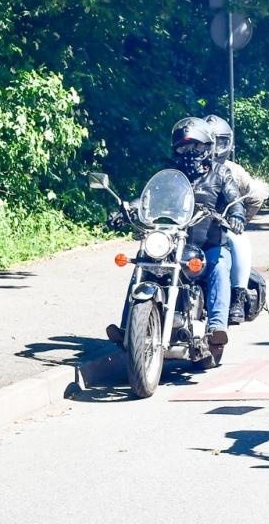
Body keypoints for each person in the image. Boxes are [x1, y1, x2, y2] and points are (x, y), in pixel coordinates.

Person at [105, 117, 245, 360]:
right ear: (175, 149)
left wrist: (236, 215)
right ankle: (128, 326)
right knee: (142, 262)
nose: (190, 152)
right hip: (172, 240)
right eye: (184, 147)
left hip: (208, 242)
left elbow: (235, 199)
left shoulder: (221, 174)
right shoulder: (170, 174)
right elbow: (149, 198)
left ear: (208, 147)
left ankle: (216, 328)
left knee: (219, 266)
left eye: (197, 146)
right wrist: (127, 209)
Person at [202, 114, 269, 324]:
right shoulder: (188, 166)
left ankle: (238, 295)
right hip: (188, 223)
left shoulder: (231, 170)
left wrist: (240, 218)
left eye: (220, 142)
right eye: (210, 142)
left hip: (220, 224)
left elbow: (257, 192)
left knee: (238, 239)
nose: (215, 148)